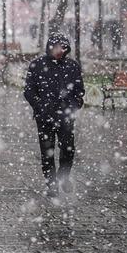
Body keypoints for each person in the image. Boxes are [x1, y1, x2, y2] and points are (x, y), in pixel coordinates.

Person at [23, 33, 84, 198]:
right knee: (47, 152)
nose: (59, 51)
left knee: (68, 149)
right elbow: (28, 91)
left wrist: (74, 105)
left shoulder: (72, 66)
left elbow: (79, 91)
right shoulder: (37, 65)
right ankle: (51, 184)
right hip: (45, 117)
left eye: (63, 47)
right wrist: (40, 106)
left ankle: (64, 177)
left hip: (66, 116)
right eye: (56, 47)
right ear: (50, 47)